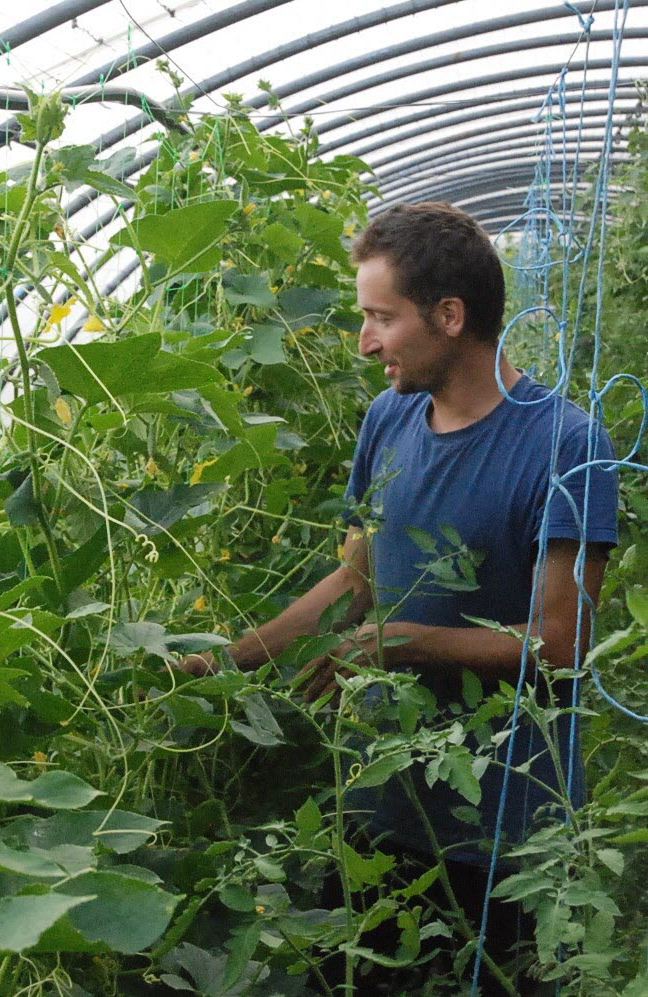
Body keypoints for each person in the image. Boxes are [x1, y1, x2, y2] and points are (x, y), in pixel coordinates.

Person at [180, 202, 618, 989]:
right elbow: (358, 579)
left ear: (449, 316)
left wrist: (404, 641)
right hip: (380, 803)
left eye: (382, 316)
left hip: (509, 838)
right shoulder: (389, 419)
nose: (365, 340)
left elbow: (561, 645)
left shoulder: (567, 444)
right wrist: (228, 662)